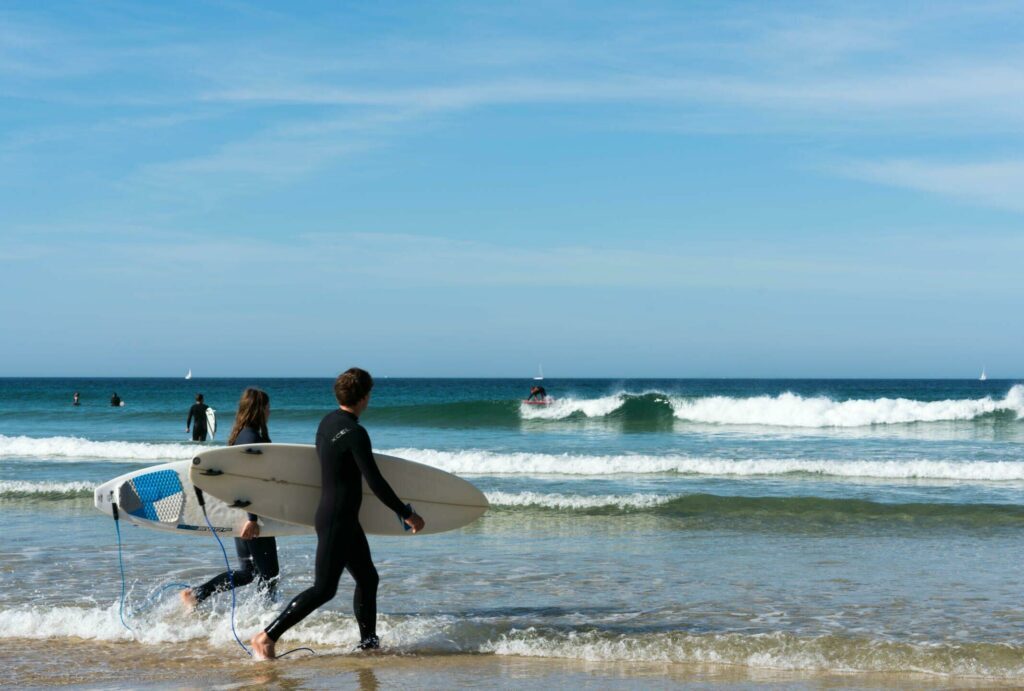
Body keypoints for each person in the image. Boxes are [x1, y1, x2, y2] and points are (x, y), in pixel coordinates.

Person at [249, 368, 424, 660]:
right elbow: (375, 480)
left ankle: (369, 644)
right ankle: (267, 637)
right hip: (337, 519)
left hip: (339, 516)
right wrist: (405, 512)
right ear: (365, 397)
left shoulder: (329, 421)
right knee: (323, 589)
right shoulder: (355, 432)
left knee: (368, 579)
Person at [181, 388, 279, 609]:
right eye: (267, 406)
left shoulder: (241, 435)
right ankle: (269, 620)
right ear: (259, 409)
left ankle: (197, 595)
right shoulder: (252, 437)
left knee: (248, 573)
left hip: (241, 511)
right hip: (252, 514)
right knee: (270, 574)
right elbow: (247, 480)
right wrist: (252, 518)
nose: (269, 411)